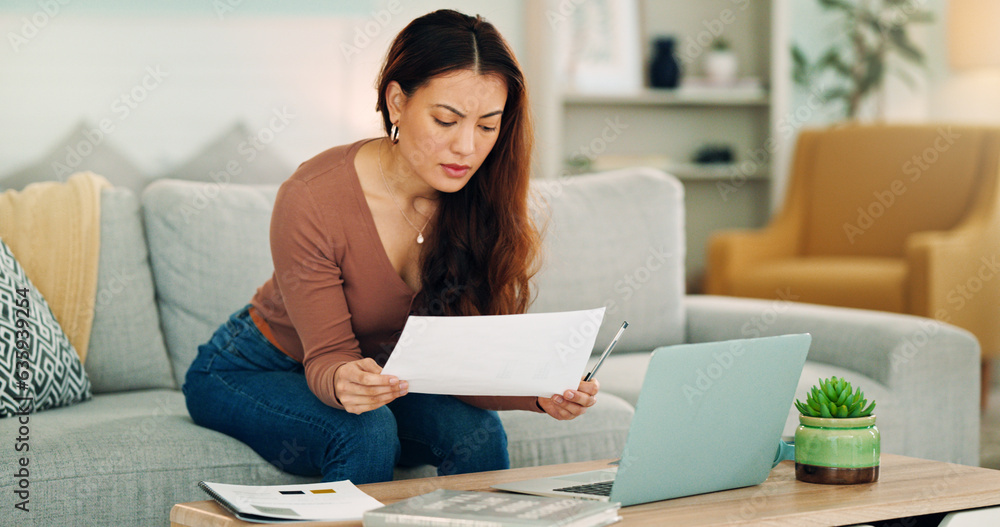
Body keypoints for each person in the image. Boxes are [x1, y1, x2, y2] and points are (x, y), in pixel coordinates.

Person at [182, 9, 600, 485]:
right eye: (446, 120)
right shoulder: (313, 196)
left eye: (487, 126)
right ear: (397, 102)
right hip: (254, 367)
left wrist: (543, 394)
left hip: (384, 375)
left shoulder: (481, 200)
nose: (467, 147)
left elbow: (469, 361)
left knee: (478, 433)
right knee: (368, 433)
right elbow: (328, 359)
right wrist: (345, 381)